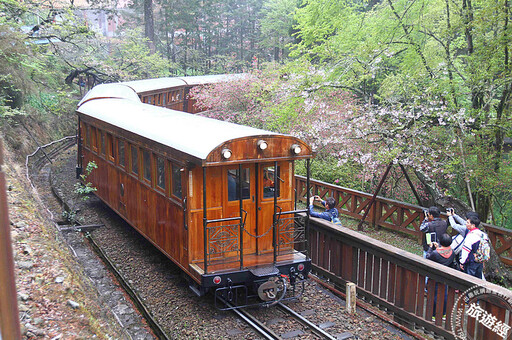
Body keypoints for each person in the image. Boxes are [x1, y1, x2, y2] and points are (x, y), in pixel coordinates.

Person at [426, 233, 455, 319]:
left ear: (440, 241)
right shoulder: (452, 252)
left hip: (435, 276)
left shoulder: (435, 253)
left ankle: (434, 314)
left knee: (435, 295)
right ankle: (444, 313)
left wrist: (430, 248)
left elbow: (428, 258)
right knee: (444, 294)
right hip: (445, 276)